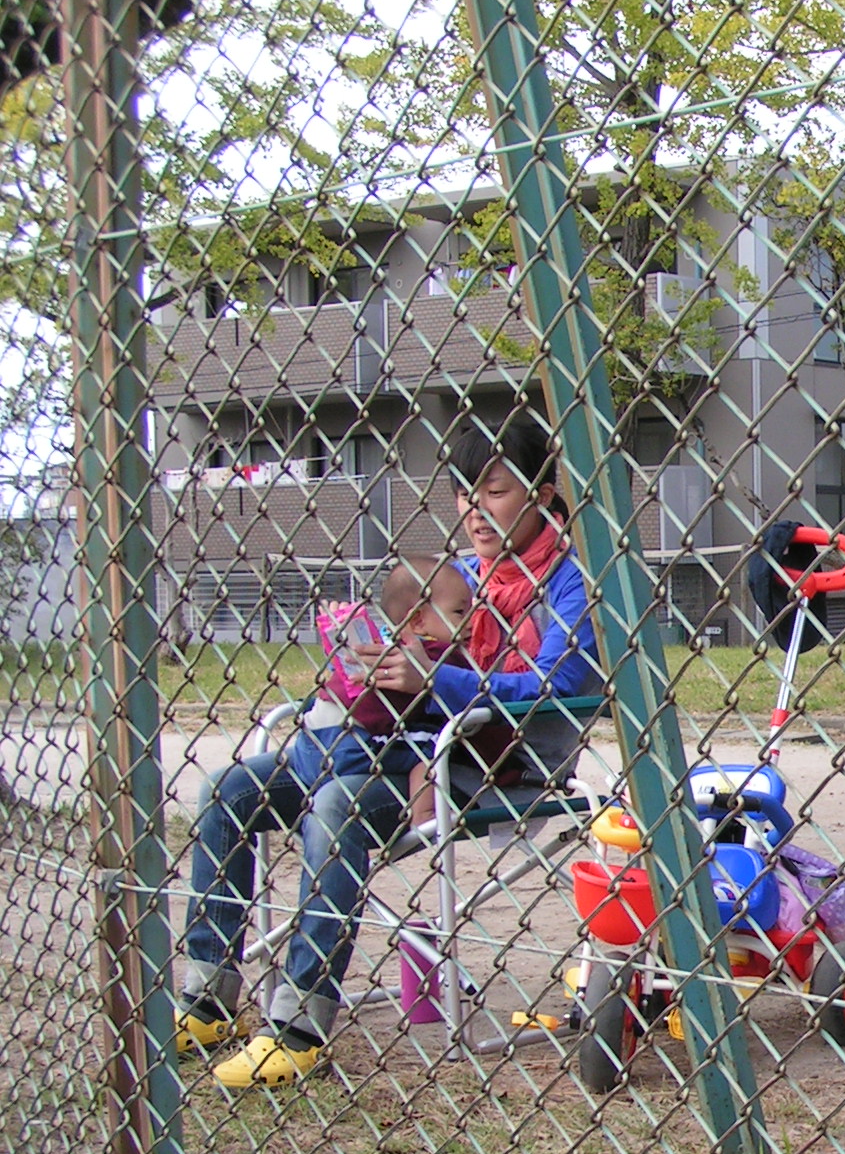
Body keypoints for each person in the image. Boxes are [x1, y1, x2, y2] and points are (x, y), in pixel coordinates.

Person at [175, 413, 601, 1088]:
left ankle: (299, 1027)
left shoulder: (572, 581)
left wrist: (435, 680)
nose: (474, 511)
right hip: (398, 746)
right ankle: (208, 998)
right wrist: (364, 669)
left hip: (491, 765)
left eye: (493, 492)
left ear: (543, 493)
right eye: (462, 494)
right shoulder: (458, 573)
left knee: (338, 803)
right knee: (229, 789)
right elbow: (413, 640)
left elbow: (556, 685)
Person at [293, 557, 474, 792]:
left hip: (308, 741)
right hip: (352, 747)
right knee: (435, 744)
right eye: (460, 612)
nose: (472, 621)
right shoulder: (439, 653)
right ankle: (425, 809)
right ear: (417, 621)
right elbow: (467, 693)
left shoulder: (381, 642)